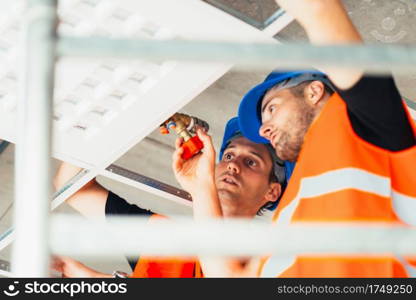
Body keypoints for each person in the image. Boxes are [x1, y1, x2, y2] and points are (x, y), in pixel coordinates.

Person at [173, 0, 416, 277]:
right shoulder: (293, 217)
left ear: (314, 92)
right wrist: (202, 187)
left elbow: (320, 13)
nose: (264, 130)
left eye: (272, 109)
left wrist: (199, 188)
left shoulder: (369, 134)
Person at [52, 117, 293, 277]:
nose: (233, 166)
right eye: (228, 156)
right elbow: (73, 188)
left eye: (251, 161)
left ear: (272, 191)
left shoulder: (275, 259)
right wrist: (121, 120)